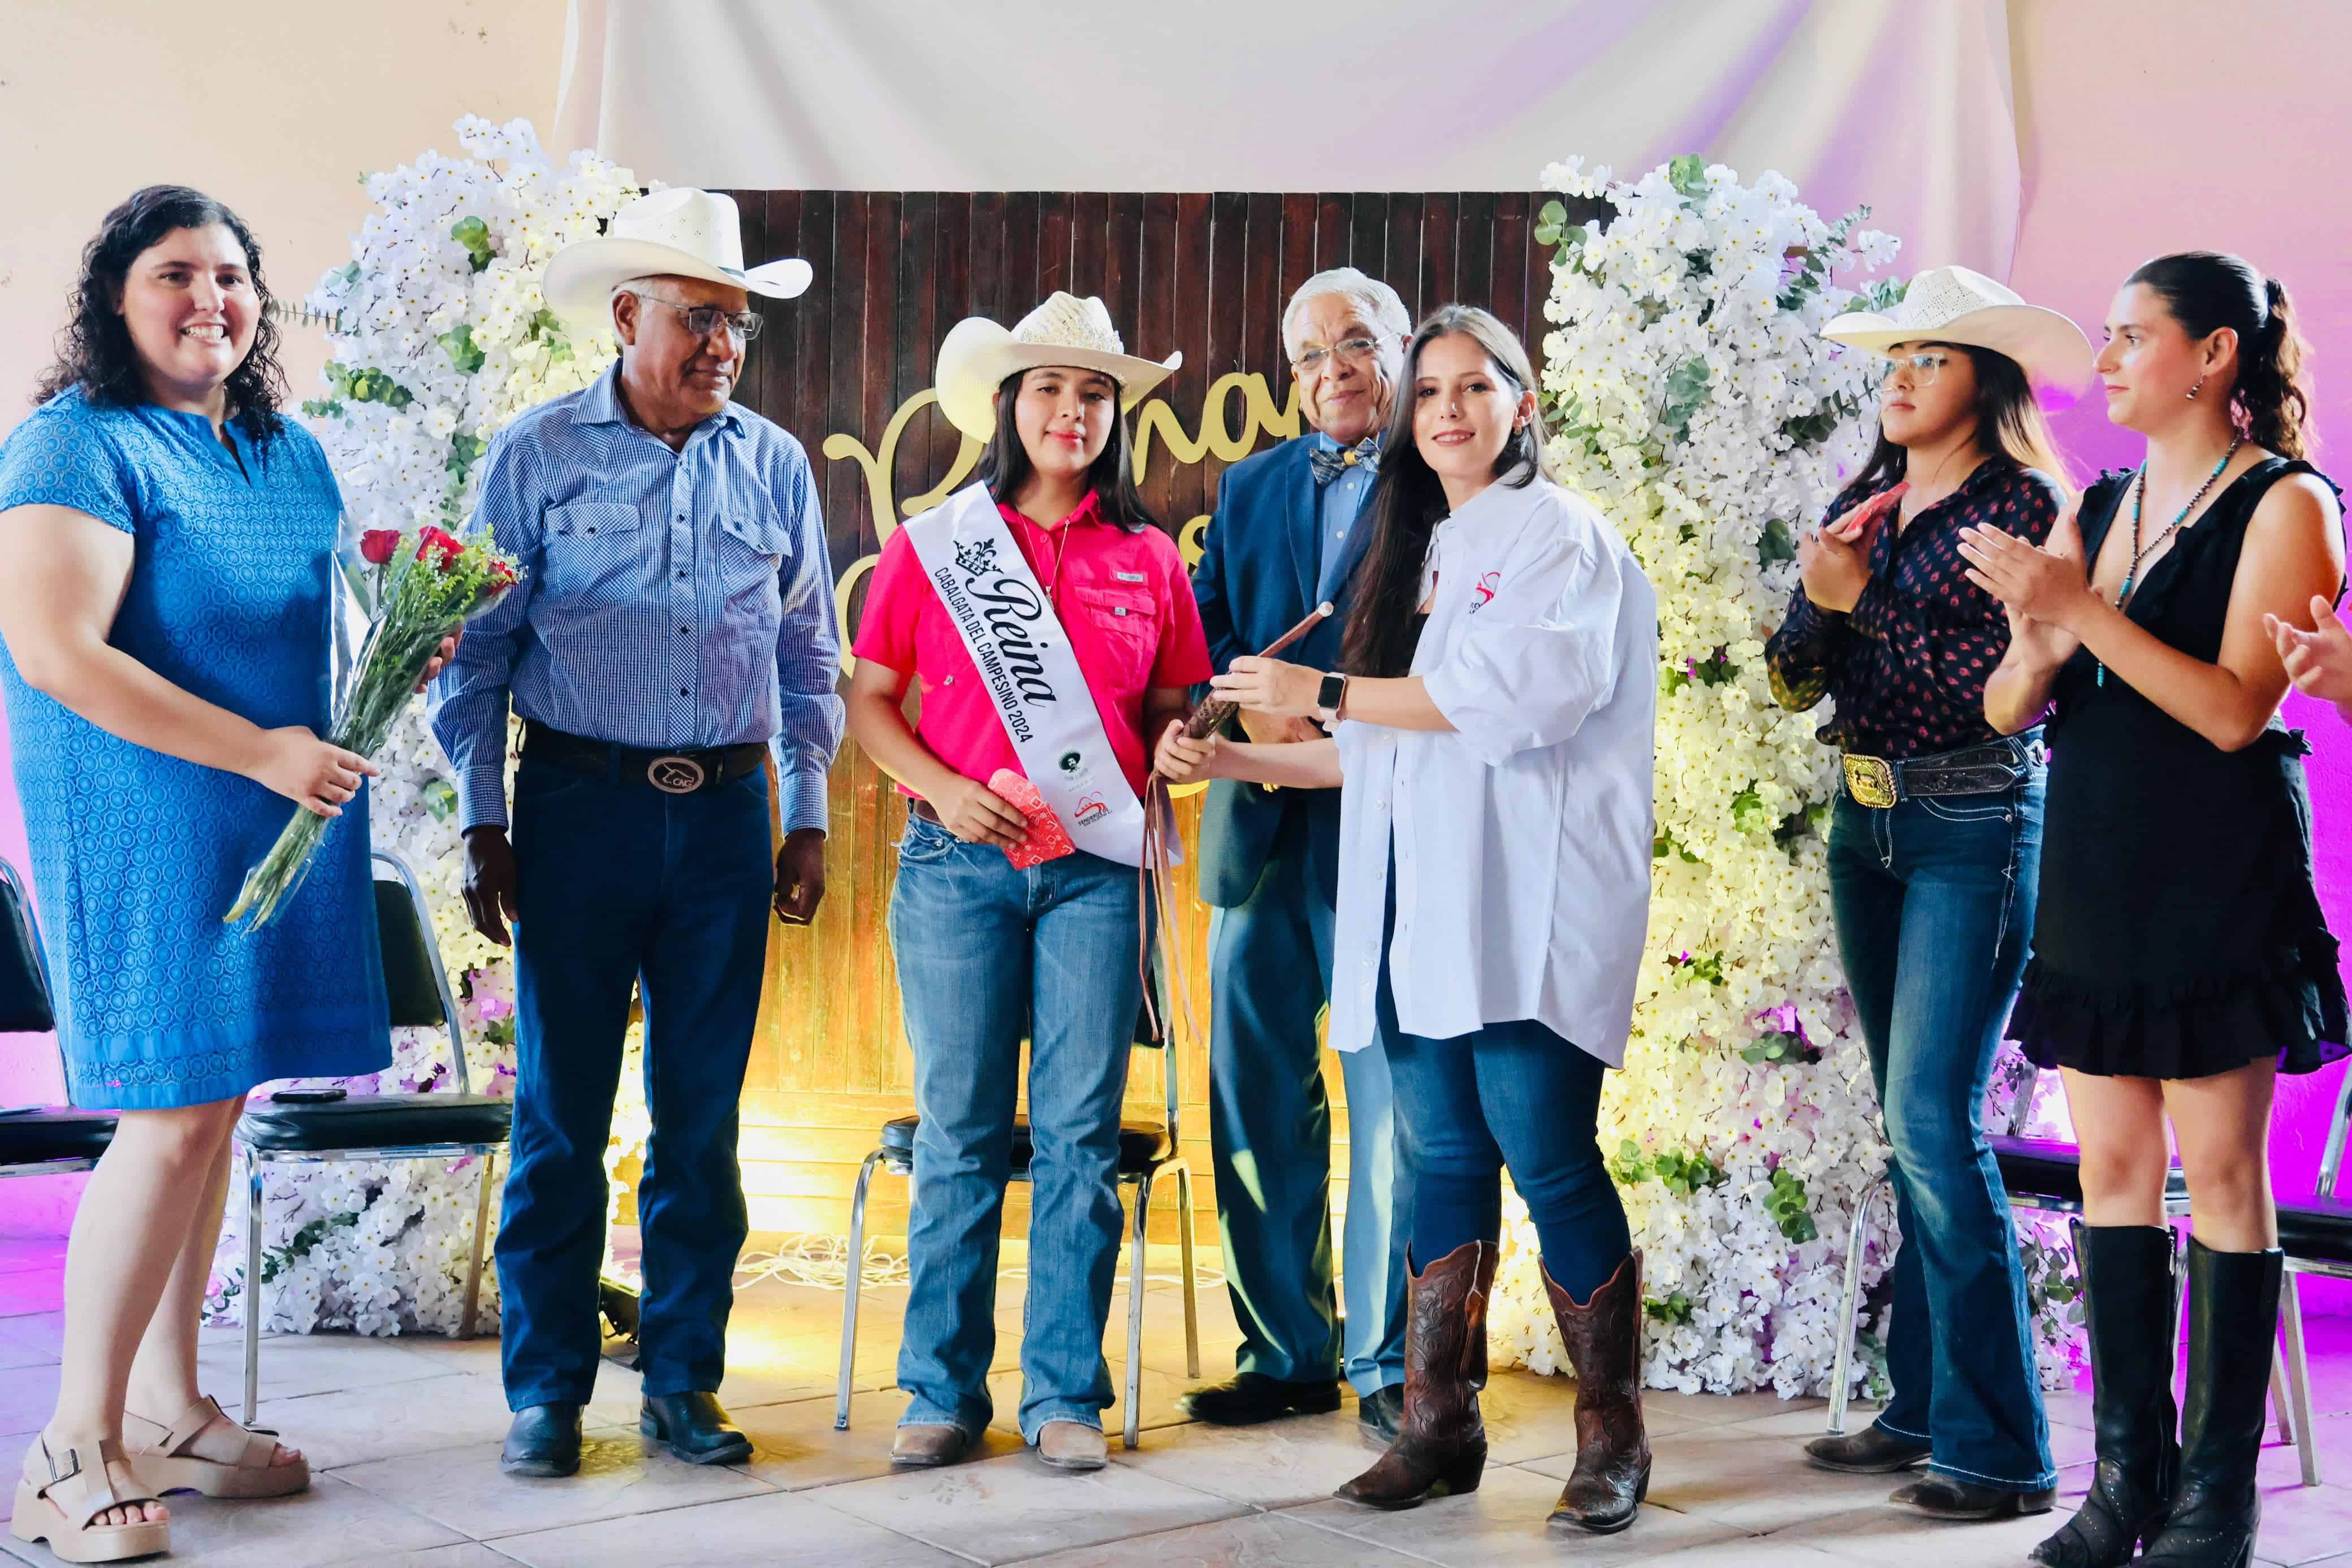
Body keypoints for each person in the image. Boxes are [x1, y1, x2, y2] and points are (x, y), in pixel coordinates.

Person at [0, 187, 452, 1563]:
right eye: (176, 273)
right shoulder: (72, 446)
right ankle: (72, 1443)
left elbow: (287, 628)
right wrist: (259, 751)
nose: (212, 298)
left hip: (276, 813)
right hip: (151, 817)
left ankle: (170, 1404)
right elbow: (59, 652)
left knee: (216, 1111)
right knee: (169, 1114)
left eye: (235, 275)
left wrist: (394, 653)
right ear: (116, 298)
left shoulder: (286, 449)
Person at [1158, 304, 1658, 1535]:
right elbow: (1375, 750)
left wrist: (1319, 687)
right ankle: (1440, 1424)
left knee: (1546, 1154)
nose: (1446, 409)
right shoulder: (1424, 548)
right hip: (1429, 912)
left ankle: (1612, 1434)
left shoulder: (1561, 536)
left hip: (1528, 907)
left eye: (1473, 387)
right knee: (1443, 1158)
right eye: (1429, 391)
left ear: (1521, 403)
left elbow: (1513, 701)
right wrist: (1227, 764)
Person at [430, 188, 842, 1479]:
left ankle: (682, 1382)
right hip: (574, 811)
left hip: (725, 817)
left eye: (738, 324)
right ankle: (546, 1393)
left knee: (703, 1123)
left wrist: (808, 813)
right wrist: (485, 821)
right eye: (697, 318)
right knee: (559, 1114)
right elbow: (477, 655)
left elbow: (807, 656)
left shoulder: (774, 464)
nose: (723, 344)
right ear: (625, 317)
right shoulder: (537, 455)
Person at [1965, 251, 2346, 1568]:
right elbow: (2009, 712)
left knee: (2223, 1175)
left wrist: (2080, 611)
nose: (2109, 358)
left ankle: (2213, 1496)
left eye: (2134, 335)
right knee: (2112, 1173)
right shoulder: (2107, 501)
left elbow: (2239, 707)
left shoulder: (2288, 503)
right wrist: (2037, 632)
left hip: (2213, 862)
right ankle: (2123, 1480)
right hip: (2094, 860)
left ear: (2216, 356)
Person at [845, 292, 1210, 1475]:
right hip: (956, 864)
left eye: (1095, 393)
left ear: (1116, 416)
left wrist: (1182, 753)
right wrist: (946, 792)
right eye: (1050, 388)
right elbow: (869, 704)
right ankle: (941, 1392)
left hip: (1095, 877)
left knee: (1077, 1134)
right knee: (957, 1130)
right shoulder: (936, 543)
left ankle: (1064, 1394)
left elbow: (1166, 722)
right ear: (1009, 405)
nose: (1073, 410)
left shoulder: (1148, 558)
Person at [1765, 265, 2088, 1523]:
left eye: (1929, 358)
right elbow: (1796, 682)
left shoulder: (2026, 507)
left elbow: (2003, 690)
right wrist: (1821, 605)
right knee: (1908, 1128)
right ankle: (1923, 1406)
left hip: (1972, 815)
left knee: (1933, 1122)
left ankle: (2002, 1452)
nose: (1898, 377)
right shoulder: (1873, 495)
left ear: (1986, 380)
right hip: (1867, 818)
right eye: (1892, 357)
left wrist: (1860, 608)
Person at [1180, 266, 1414, 1442]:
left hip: (1394, 825)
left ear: (1400, 352)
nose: (1336, 367)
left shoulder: (1447, 482)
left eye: (1358, 342)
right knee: (1255, 1095)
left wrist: (1338, 706)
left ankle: (1387, 1362)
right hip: (1260, 831)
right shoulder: (1251, 481)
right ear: (1291, 371)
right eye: (1313, 351)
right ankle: (1284, 1349)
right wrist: (1237, 707)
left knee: (1387, 1103)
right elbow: (1208, 624)